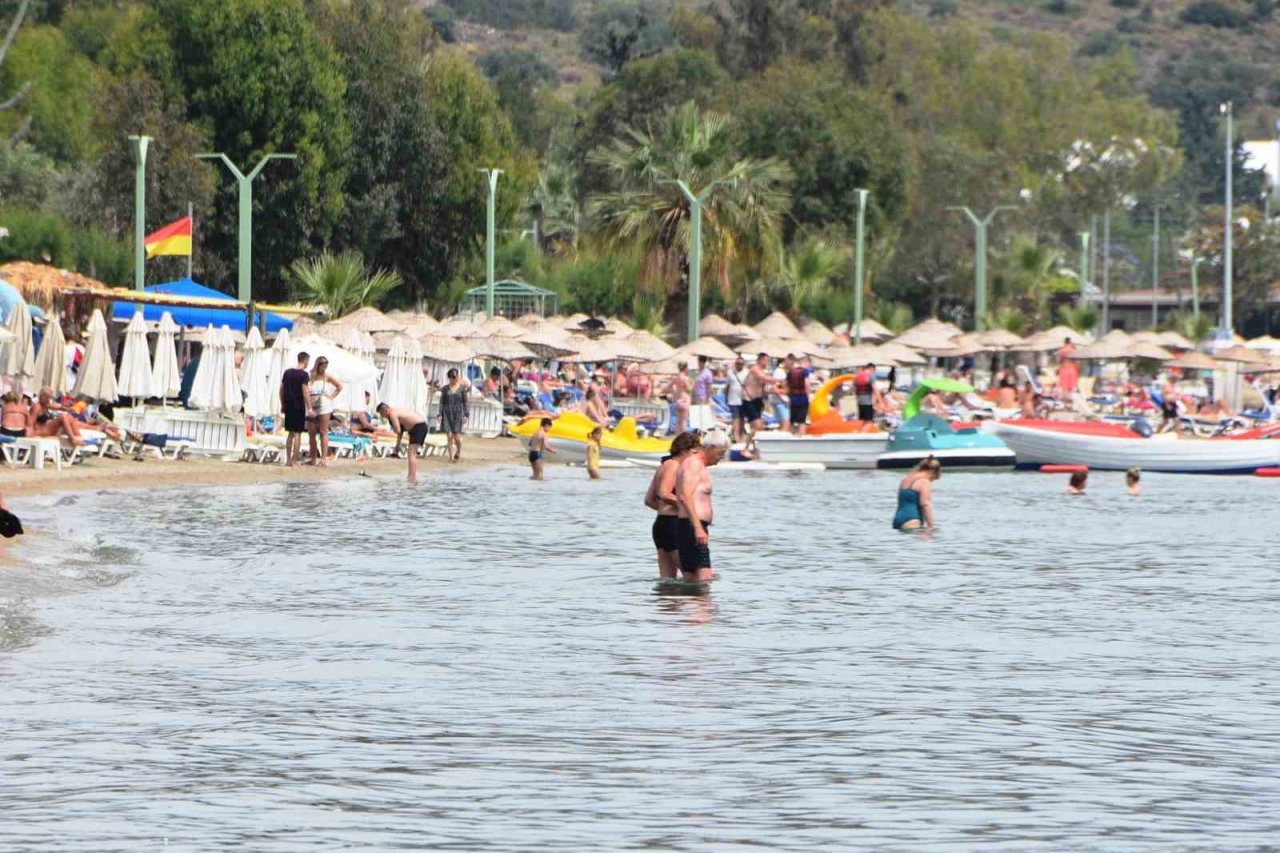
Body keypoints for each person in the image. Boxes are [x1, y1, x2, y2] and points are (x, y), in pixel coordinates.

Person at [643, 431, 701, 579]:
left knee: (667, 579)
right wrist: (688, 508)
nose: (696, 458)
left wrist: (664, 510)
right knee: (694, 577)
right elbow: (664, 493)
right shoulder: (674, 465)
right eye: (694, 452)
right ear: (684, 449)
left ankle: (668, 602)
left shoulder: (664, 465)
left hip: (661, 525)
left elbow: (649, 500)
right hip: (673, 526)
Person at [674, 429, 729, 582]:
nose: (722, 458)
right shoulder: (693, 464)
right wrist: (698, 528)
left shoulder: (698, 465)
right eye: (721, 453)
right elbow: (685, 496)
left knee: (694, 579)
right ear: (711, 447)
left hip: (693, 526)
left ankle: (685, 603)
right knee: (704, 579)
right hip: (692, 527)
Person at [376, 402, 428, 483]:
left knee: (412, 454)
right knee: (411, 454)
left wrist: (392, 429)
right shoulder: (396, 412)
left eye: (381, 414)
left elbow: (398, 430)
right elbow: (401, 432)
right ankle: (410, 475)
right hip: (418, 426)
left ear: (385, 411)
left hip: (418, 427)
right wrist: (398, 444)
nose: (382, 416)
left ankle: (412, 477)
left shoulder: (393, 414)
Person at [305, 356, 343, 467]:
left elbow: (339, 386)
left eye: (325, 366)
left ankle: (323, 459)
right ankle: (313, 458)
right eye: (322, 365)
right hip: (312, 403)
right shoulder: (310, 375)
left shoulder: (327, 376)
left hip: (324, 403)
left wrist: (330, 397)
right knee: (311, 432)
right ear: (318, 364)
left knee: (323, 431)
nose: (324, 368)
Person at [893, 455, 941, 531]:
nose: (931, 481)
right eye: (933, 478)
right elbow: (925, 504)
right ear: (932, 471)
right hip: (912, 519)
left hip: (897, 519)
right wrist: (931, 526)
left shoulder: (907, 479)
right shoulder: (924, 481)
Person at [280, 352, 312, 467]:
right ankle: (295, 460)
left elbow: (281, 390)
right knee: (297, 433)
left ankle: (288, 460)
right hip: (298, 405)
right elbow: (305, 391)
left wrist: (282, 404)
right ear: (306, 361)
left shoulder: (287, 373)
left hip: (288, 405)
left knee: (290, 434)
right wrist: (310, 408)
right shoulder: (304, 375)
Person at [740, 353, 771, 457]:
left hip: (757, 401)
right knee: (756, 425)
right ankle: (745, 449)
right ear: (760, 360)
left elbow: (763, 388)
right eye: (766, 360)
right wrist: (780, 380)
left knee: (759, 427)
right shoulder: (755, 369)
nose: (767, 363)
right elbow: (765, 379)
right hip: (749, 400)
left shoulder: (762, 372)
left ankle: (755, 450)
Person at [438, 367, 470, 462]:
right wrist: (439, 414)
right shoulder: (445, 389)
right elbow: (441, 402)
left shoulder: (462, 389)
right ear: (449, 378)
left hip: (457, 413)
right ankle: (451, 457)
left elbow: (465, 403)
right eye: (452, 377)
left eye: (455, 377)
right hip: (447, 413)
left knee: (456, 437)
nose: (453, 379)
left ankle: (458, 451)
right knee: (449, 436)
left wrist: (466, 415)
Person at [785, 354, 811, 434]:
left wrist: (789, 396)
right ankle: (801, 439)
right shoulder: (804, 371)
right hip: (802, 398)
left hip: (793, 398)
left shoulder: (790, 372)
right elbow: (807, 384)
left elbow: (786, 386)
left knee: (792, 421)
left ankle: (790, 439)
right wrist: (808, 395)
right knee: (802, 421)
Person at [664, 362, 691, 435]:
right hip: (684, 400)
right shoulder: (685, 378)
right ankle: (682, 438)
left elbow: (667, 387)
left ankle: (676, 437)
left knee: (678, 422)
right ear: (685, 368)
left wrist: (673, 392)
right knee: (684, 421)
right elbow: (689, 389)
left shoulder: (676, 378)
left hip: (677, 401)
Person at [726, 355, 746, 442]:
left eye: (741, 364)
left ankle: (741, 436)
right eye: (737, 363)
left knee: (742, 419)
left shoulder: (747, 372)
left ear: (743, 364)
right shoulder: (730, 372)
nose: (739, 365)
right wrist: (726, 398)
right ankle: (736, 437)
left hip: (743, 400)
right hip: (733, 399)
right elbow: (728, 386)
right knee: (736, 418)